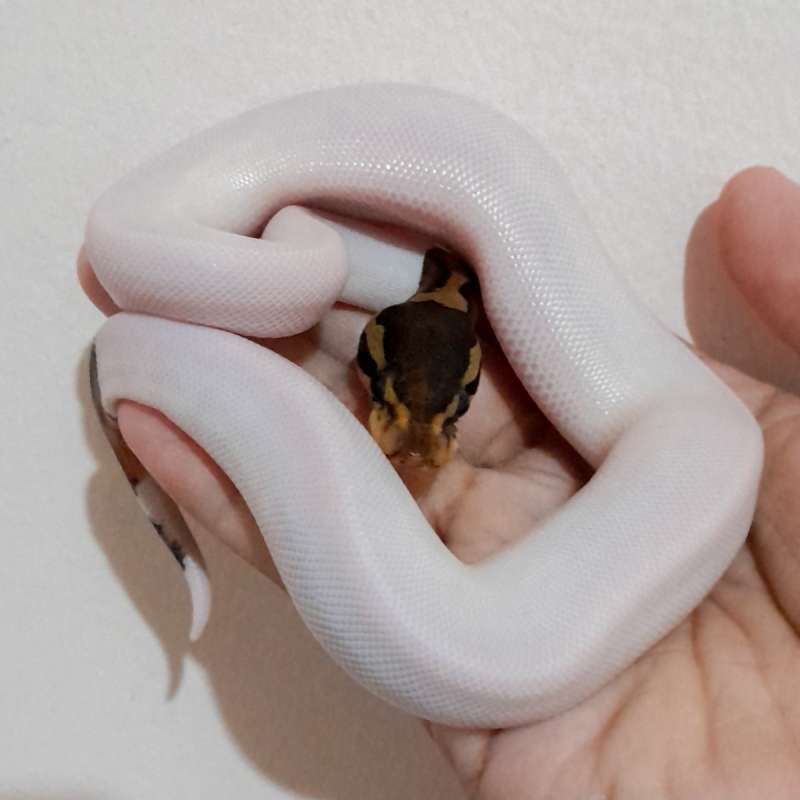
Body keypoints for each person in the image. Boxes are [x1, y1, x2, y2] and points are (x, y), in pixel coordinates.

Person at [78, 166, 800, 798]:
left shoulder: (715, 443)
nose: (414, 444)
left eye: (451, 412)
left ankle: (145, 364)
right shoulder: (305, 249)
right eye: (387, 405)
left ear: (472, 380)